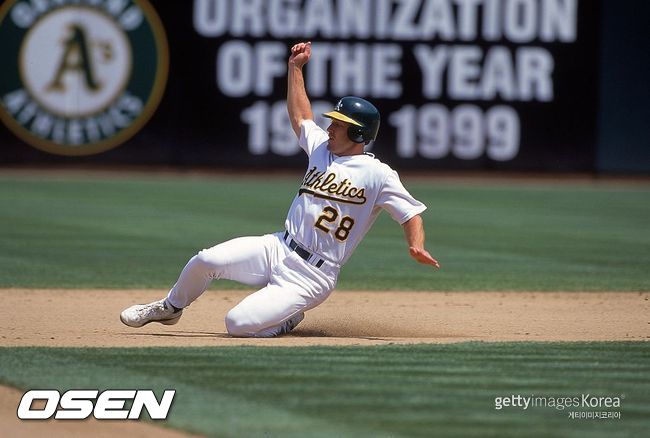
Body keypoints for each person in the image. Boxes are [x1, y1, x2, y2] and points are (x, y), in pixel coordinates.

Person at [120, 41, 440, 337]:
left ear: (358, 134)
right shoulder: (321, 149)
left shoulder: (378, 174)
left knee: (237, 324)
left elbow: (411, 213)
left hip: (312, 276)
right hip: (278, 246)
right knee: (205, 260)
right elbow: (301, 115)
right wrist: (295, 69)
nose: (329, 127)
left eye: (338, 124)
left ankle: (287, 318)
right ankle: (170, 307)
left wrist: (416, 245)